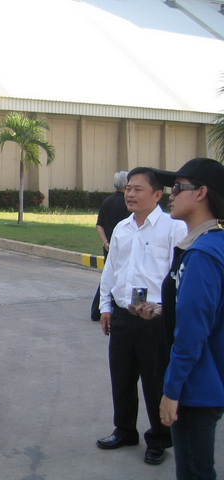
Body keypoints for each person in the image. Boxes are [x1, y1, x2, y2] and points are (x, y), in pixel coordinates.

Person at [134, 158, 224, 480]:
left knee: (194, 472)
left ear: (201, 193)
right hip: (207, 379)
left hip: (196, 386)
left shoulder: (202, 255)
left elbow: (191, 335)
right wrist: (167, 310)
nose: (171, 195)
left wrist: (171, 391)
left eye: (178, 188)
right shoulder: (211, 245)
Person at [96, 167, 186, 465]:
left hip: (155, 319)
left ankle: (159, 438)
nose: (130, 194)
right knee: (121, 378)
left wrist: (168, 313)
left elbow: (178, 276)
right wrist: (106, 306)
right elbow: (111, 270)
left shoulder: (173, 228)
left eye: (138, 189)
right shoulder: (122, 228)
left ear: (157, 194)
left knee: (154, 381)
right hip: (123, 316)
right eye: (128, 189)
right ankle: (124, 430)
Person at [91, 171, 130, 321]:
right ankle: (103, 309)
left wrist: (106, 242)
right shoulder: (128, 204)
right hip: (122, 247)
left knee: (108, 276)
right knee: (116, 276)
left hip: (109, 246)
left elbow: (99, 225)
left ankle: (98, 309)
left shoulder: (107, 201)